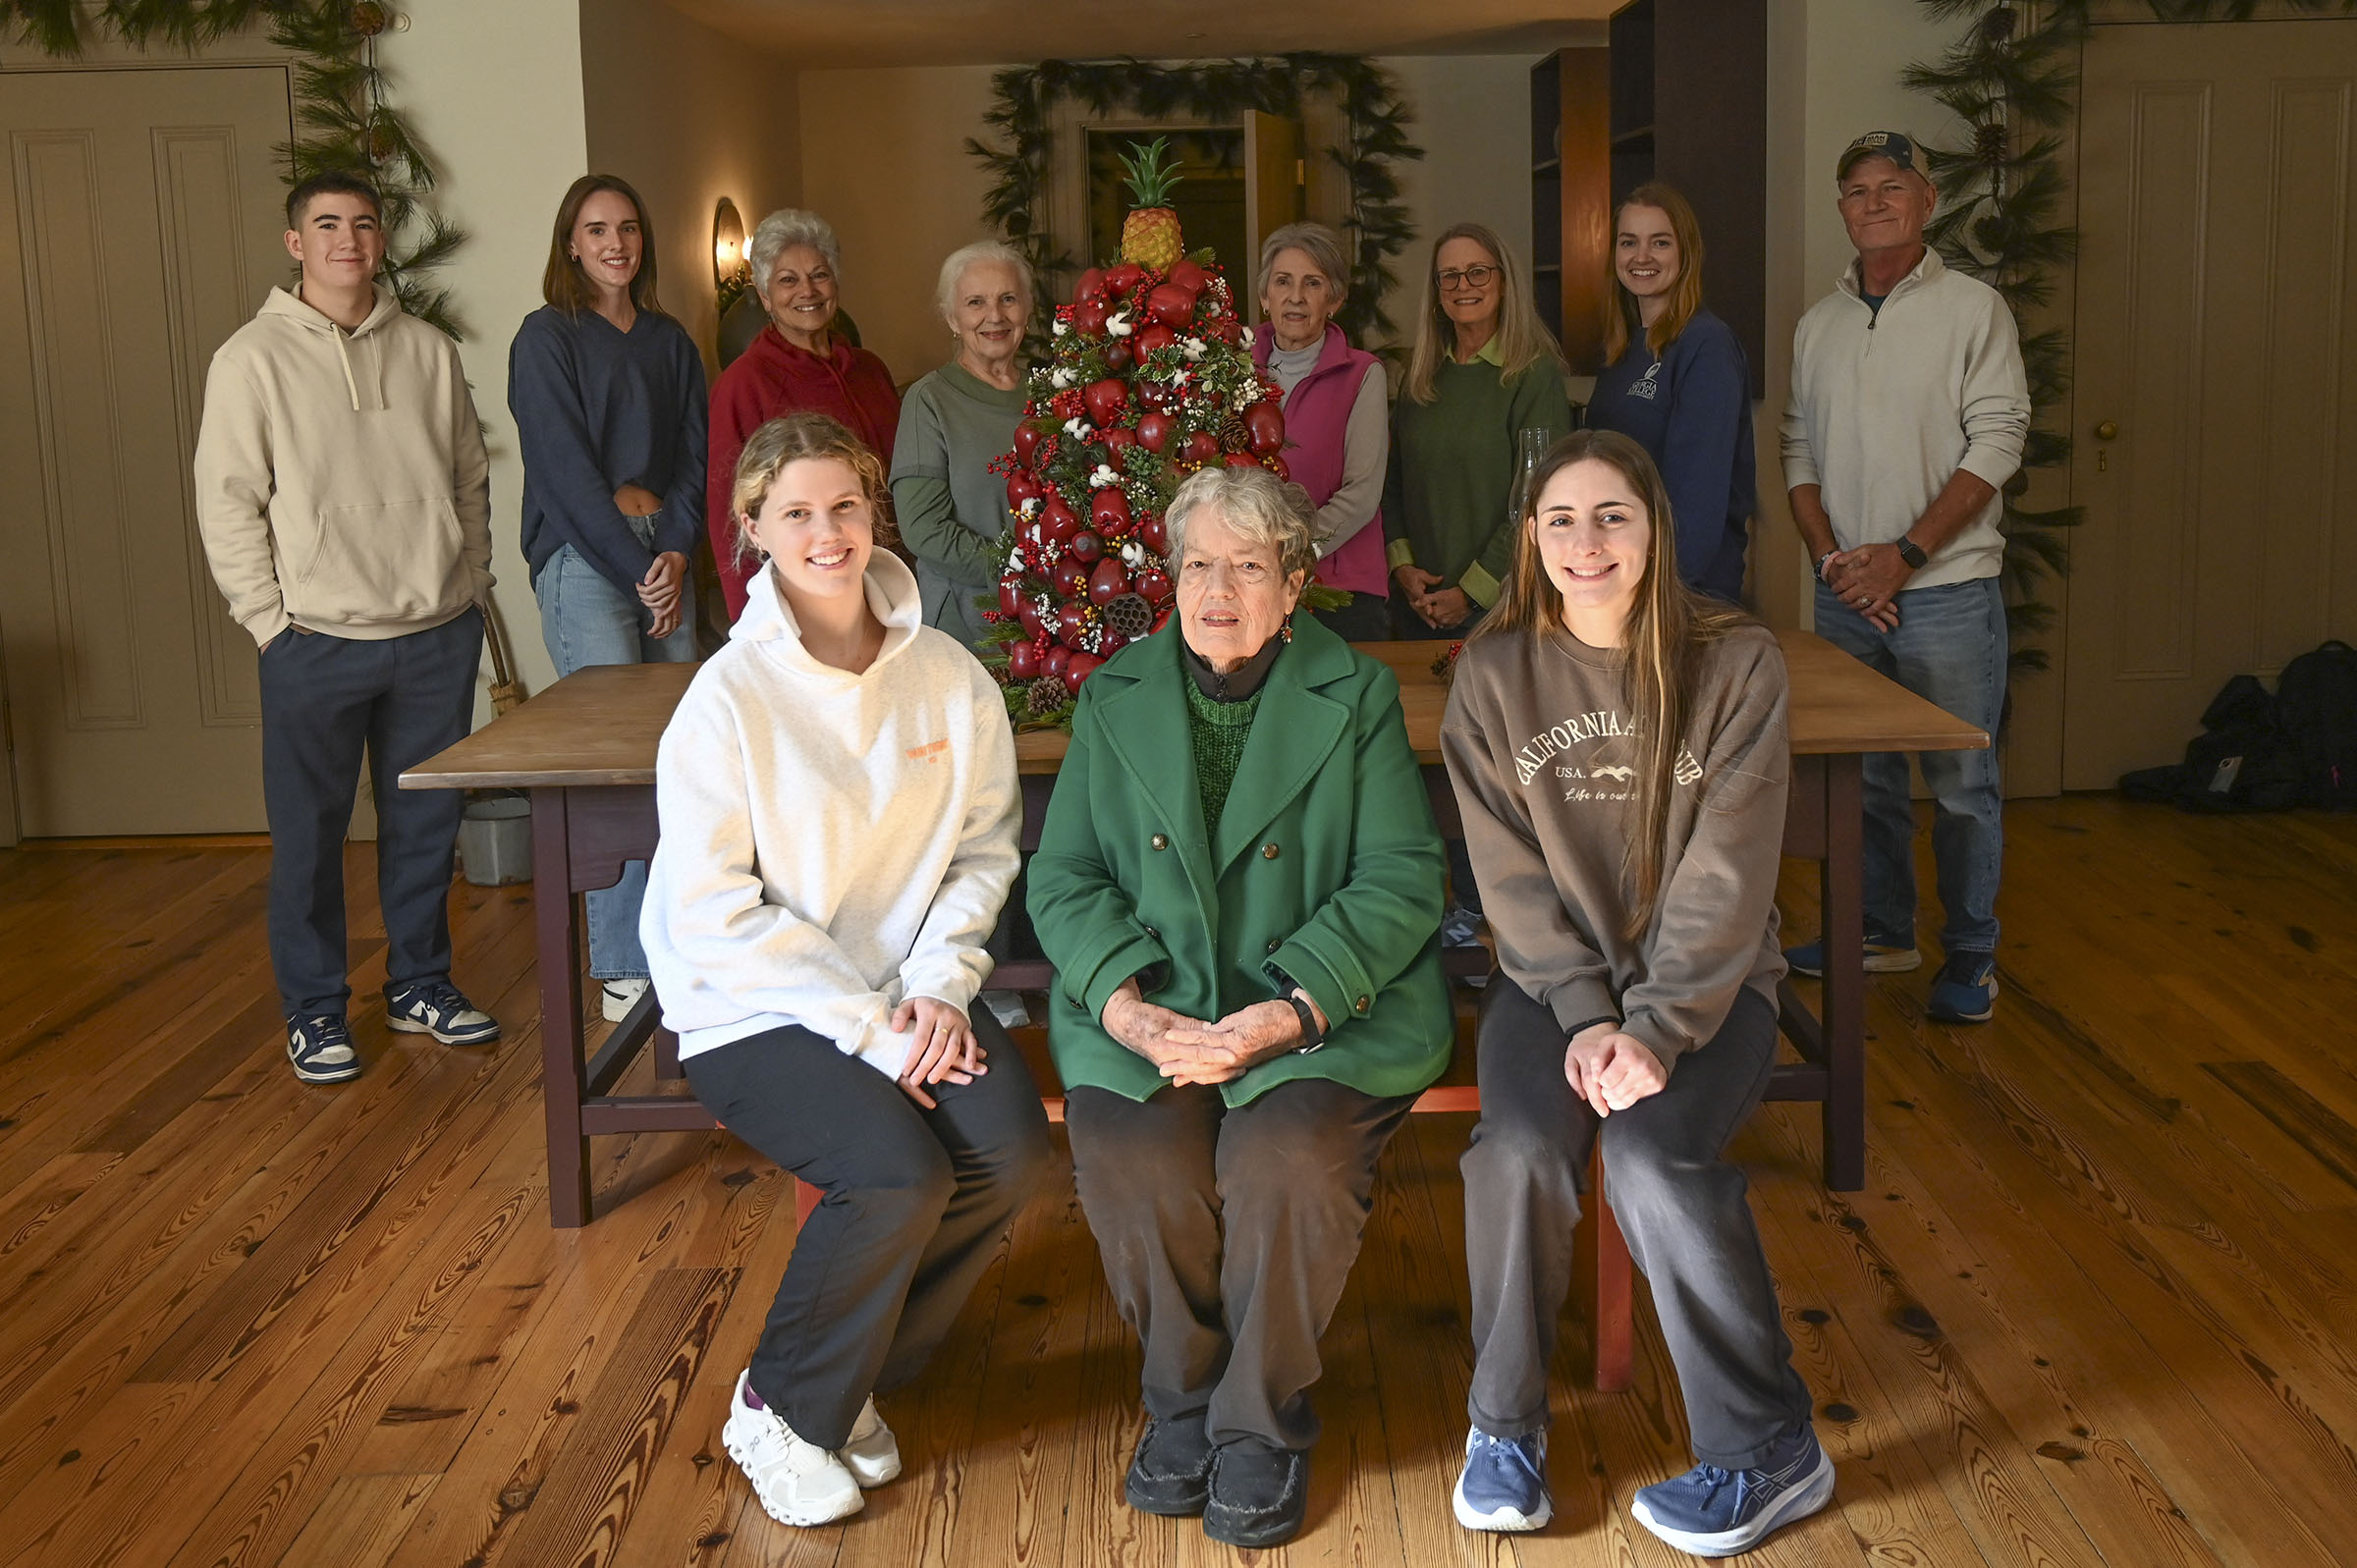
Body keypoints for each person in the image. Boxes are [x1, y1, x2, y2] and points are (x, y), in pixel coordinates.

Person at [1027, 465, 1451, 1549]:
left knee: (1285, 1160)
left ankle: (1260, 1420)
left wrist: (1291, 1010)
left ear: (1296, 581)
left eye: (1249, 564)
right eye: (1200, 562)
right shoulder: (1112, 693)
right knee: (1135, 1158)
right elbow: (1064, 878)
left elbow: (1402, 876)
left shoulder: (1352, 693)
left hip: (1315, 1013)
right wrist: (1126, 1009)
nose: (1220, 587)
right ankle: (1181, 1397)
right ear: (1172, 574)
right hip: (1156, 1006)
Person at [641, 411, 1052, 1529]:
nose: (827, 533)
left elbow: (980, 852)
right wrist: (874, 1030)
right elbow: (716, 914)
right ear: (753, 532)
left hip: (913, 995)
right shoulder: (723, 703)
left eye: (845, 507)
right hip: (755, 1007)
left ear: (875, 513)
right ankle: (778, 1404)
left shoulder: (949, 677)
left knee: (1009, 1153)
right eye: (797, 513)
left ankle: (847, 1372)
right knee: (894, 1174)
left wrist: (937, 992)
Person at [1440, 429, 1830, 1555]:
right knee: (1514, 1154)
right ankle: (1502, 1429)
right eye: (1561, 519)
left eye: (1612, 514)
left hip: (1707, 991)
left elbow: (1731, 872)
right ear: (1531, 539)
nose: (1587, 542)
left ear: (1655, 526)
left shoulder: (1736, 661)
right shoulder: (1495, 670)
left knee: (1657, 1161)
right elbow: (1507, 879)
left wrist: (1654, 1026)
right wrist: (1589, 1015)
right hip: (1554, 990)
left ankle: (1770, 1448)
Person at [193, 169, 499, 1086]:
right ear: (296, 244)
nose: (349, 241)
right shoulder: (249, 359)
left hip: (433, 628)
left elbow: (468, 480)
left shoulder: (430, 351)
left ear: (380, 241)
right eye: (327, 225)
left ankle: (420, 984)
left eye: (364, 225)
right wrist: (269, 624)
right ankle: (316, 1008)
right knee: (310, 836)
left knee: (422, 825)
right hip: (314, 642)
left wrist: (470, 581)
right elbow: (228, 503)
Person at [1780, 131, 2028, 1024]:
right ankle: (1882, 931)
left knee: (1963, 783)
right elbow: (1799, 448)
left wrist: (1906, 556)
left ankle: (1972, 955)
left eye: (1893, 186)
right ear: (1841, 208)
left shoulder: (1974, 309)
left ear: (1927, 202)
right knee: (1865, 777)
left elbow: (1998, 439)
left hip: (1948, 591)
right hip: (1845, 593)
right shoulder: (1821, 322)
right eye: (1855, 189)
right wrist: (1831, 560)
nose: (1873, 201)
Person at [510, 174, 706, 1023]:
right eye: (597, 231)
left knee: (688, 763)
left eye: (628, 228)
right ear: (570, 245)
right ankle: (625, 965)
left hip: (664, 556)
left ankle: (685, 945)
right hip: (587, 560)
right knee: (616, 766)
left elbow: (701, 460)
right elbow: (561, 471)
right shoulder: (545, 338)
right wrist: (634, 569)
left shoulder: (669, 341)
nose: (616, 244)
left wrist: (674, 552)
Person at [707, 209, 901, 621]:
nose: (807, 291)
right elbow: (729, 518)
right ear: (764, 296)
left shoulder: (870, 370)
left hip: (887, 581)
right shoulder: (744, 384)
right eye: (787, 280)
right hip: (801, 597)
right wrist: (752, 617)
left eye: (819, 275)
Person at [1385, 222, 1572, 639]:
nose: (1462, 285)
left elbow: (1538, 501)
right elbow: (1392, 481)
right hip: (1417, 608)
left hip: (1503, 611)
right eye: (1448, 275)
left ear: (1503, 282)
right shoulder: (1419, 378)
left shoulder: (1533, 376)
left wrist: (1472, 593)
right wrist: (1402, 565)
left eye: (1477, 272)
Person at [1588, 183, 1755, 604]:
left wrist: (1662, 592)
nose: (1641, 257)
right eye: (1629, 242)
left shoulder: (1706, 345)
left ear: (1686, 253)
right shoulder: (1621, 348)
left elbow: (1697, 500)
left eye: (1659, 242)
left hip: (1683, 591)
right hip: (1624, 580)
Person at [1251, 222, 1391, 640]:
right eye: (1282, 282)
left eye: (1312, 283)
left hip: (1338, 590)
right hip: (1250, 588)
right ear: (1264, 296)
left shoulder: (1363, 374)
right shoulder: (1231, 369)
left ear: (1335, 299)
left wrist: (1289, 553)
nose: (1295, 297)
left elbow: (1362, 494)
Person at [891, 241, 1033, 648]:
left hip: (1052, 620)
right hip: (967, 622)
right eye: (976, 302)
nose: (995, 316)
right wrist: (1019, 572)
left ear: (1027, 308)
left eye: (1008, 298)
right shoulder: (929, 400)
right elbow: (922, 530)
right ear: (952, 317)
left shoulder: (1053, 395)